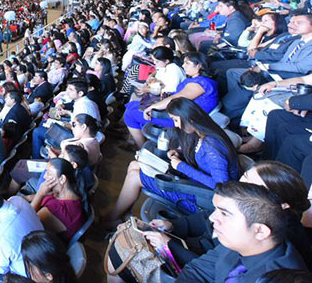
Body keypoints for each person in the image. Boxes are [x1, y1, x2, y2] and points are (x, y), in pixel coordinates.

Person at [106, 97, 240, 223]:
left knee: (135, 176)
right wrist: (180, 153)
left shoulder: (212, 147)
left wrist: (181, 166)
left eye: (176, 120)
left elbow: (221, 186)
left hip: (203, 198)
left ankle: (112, 218)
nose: (176, 125)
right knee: (134, 165)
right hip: (195, 185)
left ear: (188, 119)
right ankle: (122, 213)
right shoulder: (202, 134)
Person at [174, 181, 307, 283]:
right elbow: (196, 271)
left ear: (260, 231)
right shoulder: (239, 243)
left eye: (224, 213)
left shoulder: (281, 278)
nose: (212, 218)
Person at [124, 51, 218, 147]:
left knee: (130, 114)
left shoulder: (201, 84)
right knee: (132, 105)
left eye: (187, 63)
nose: (183, 66)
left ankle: (142, 147)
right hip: (179, 112)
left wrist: (153, 106)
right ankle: (135, 138)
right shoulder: (195, 80)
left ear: (199, 66)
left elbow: (177, 97)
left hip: (182, 119)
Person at [28, 158, 87, 241]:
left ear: (62, 179)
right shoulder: (71, 192)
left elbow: (27, 220)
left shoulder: (56, 209)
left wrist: (40, 194)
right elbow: (49, 196)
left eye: (49, 173)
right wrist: (27, 197)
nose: (45, 176)